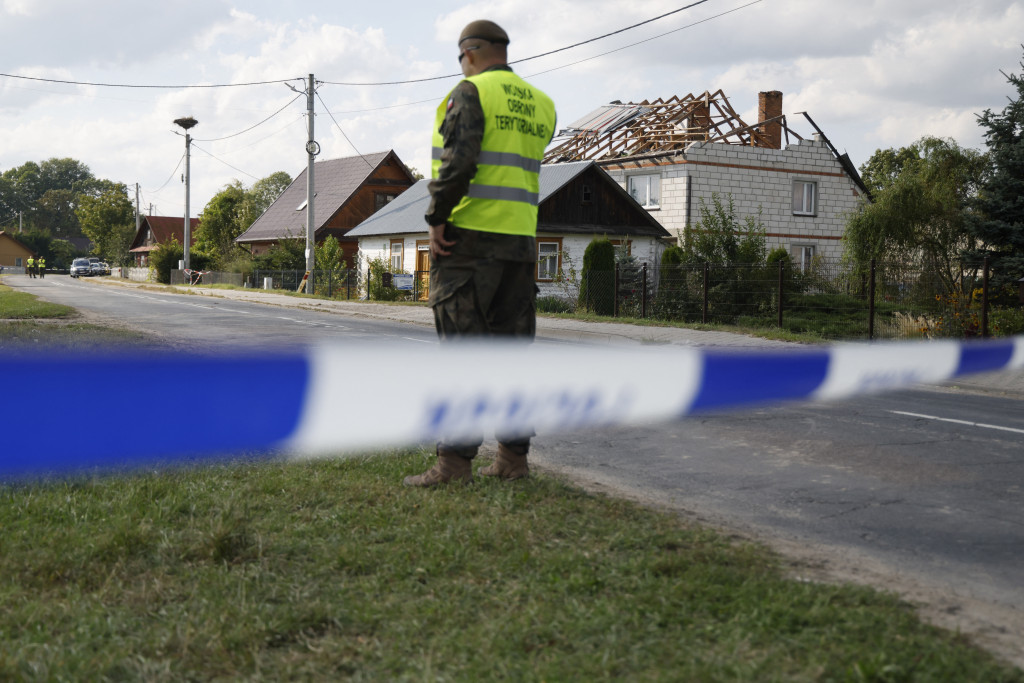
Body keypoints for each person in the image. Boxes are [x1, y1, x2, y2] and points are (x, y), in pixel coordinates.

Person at [404, 19, 557, 487]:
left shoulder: (468, 93)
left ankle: (453, 465)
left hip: (467, 241)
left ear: (469, 52)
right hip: (519, 244)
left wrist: (436, 218)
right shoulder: (542, 104)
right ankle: (513, 459)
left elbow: (461, 159)